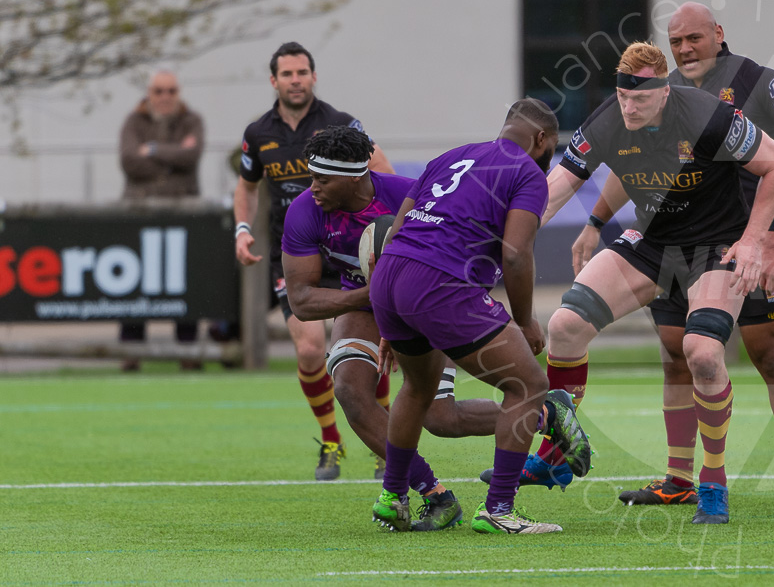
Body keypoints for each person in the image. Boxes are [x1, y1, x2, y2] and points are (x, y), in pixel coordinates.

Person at [569, 3, 774, 507]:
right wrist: (594, 221)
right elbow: (626, 163)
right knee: (679, 358)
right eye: (676, 41)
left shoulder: (756, 79)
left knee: (771, 355)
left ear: (719, 34)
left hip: (746, 243)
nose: (685, 49)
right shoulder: (656, 93)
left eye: (694, 39)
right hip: (672, 242)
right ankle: (680, 479)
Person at [369, 98, 592, 535]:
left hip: (390, 275)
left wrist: (387, 316)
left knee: (417, 387)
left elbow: (394, 232)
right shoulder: (527, 172)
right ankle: (499, 509)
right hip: (440, 282)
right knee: (529, 386)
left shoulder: (449, 156)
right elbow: (515, 252)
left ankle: (393, 497)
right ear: (543, 139)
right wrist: (525, 319)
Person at [283, 125, 513, 529]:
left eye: (323, 179)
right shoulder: (305, 211)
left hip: (423, 297)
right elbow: (302, 301)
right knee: (350, 389)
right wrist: (374, 295)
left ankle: (543, 412)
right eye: (312, 176)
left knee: (440, 419)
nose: (312, 187)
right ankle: (435, 495)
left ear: (356, 177)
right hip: (361, 299)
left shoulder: (410, 194)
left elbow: (472, 247)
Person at [234, 42, 395, 481]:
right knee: (308, 351)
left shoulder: (340, 125)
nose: (296, 79)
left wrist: (385, 235)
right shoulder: (257, 133)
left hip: (346, 253)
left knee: (365, 350)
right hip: (296, 254)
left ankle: (382, 439)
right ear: (274, 81)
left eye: (302, 72)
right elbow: (246, 187)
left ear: (313, 76)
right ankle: (331, 439)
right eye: (287, 73)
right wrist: (242, 229)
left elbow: (380, 172)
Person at [117, 70, 205, 372]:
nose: (165, 97)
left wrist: (153, 151)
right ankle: (131, 352)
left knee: (186, 284)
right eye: (159, 91)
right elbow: (129, 161)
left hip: (184, 219)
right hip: (139, 218)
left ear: (178, 92)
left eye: (171, 91)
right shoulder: (133, 122)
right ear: (149, 93)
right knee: (134, 283)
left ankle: (189, 352)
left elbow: (191, 157)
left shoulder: (192, 121)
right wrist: (172, 163)